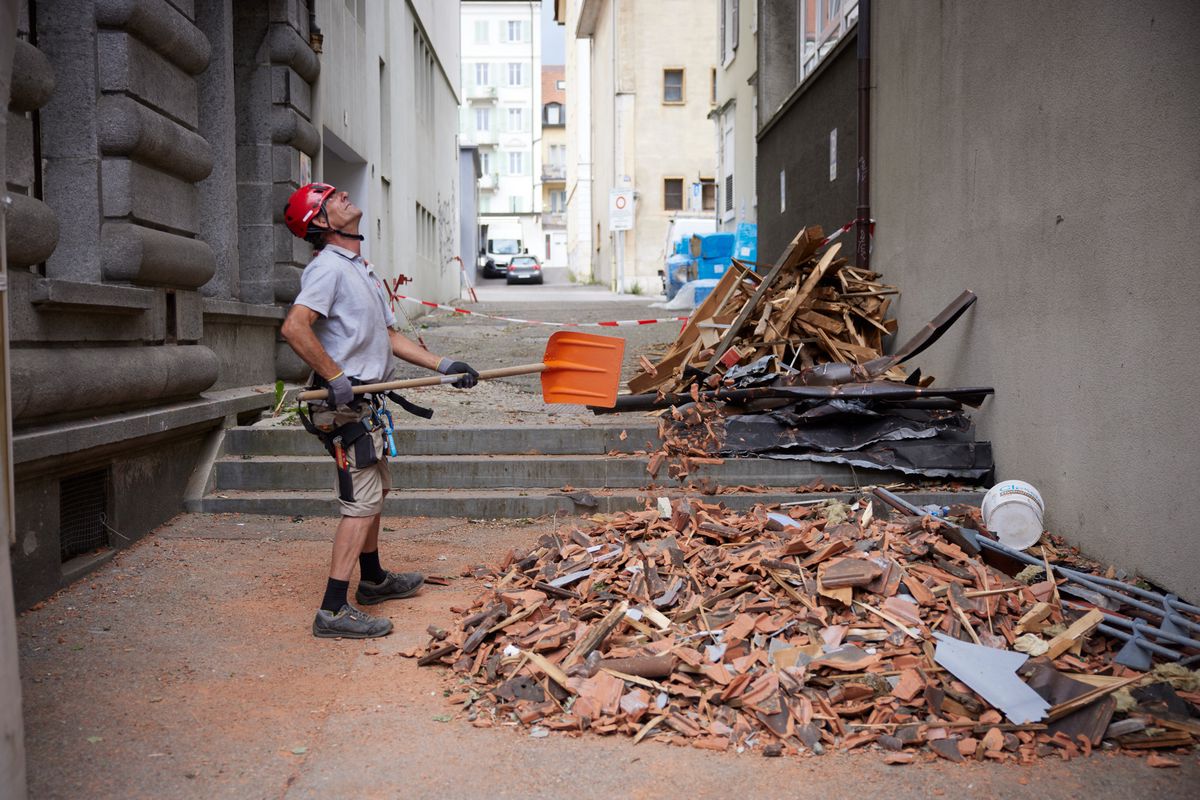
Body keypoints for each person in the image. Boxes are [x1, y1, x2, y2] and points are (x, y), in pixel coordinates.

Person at [280, 182, 479, 639]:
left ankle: (371, 581)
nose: (344, 194)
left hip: (367, 403)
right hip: (343, 409)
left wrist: (444, 365)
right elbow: (295, 328)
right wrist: (334, 377)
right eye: (331, 198)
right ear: (322, 223)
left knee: (375, 495)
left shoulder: (360, 268)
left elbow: (390, 337)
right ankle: (332, 609)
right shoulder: (328, 270)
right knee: (361, 503)